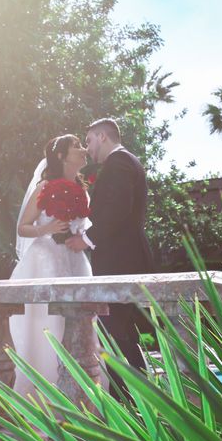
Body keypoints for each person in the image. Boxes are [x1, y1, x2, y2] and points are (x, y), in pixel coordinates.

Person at [0, 134, 92, 403]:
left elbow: (85, 224)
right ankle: (36, 393)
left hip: (74, 258)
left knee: (78, 322)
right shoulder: (45, 186)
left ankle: (78, 394)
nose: (84, 150)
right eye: (77, 147)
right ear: (61, 156)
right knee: (42, 322)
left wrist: (78, 234)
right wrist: (48, 229)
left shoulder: (83, 188)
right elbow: (22, 228)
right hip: (45, 259)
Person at [66, 118, 155, 398]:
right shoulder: (124, 163)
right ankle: (138, 400)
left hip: (121, 260)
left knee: (113, 333)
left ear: (102, 136)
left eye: (89, 141)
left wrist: (86, 240)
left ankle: (125, 403)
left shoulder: (119, 163)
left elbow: (117, 209)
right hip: (124, 259)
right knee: (122, 333)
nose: (88, 148)